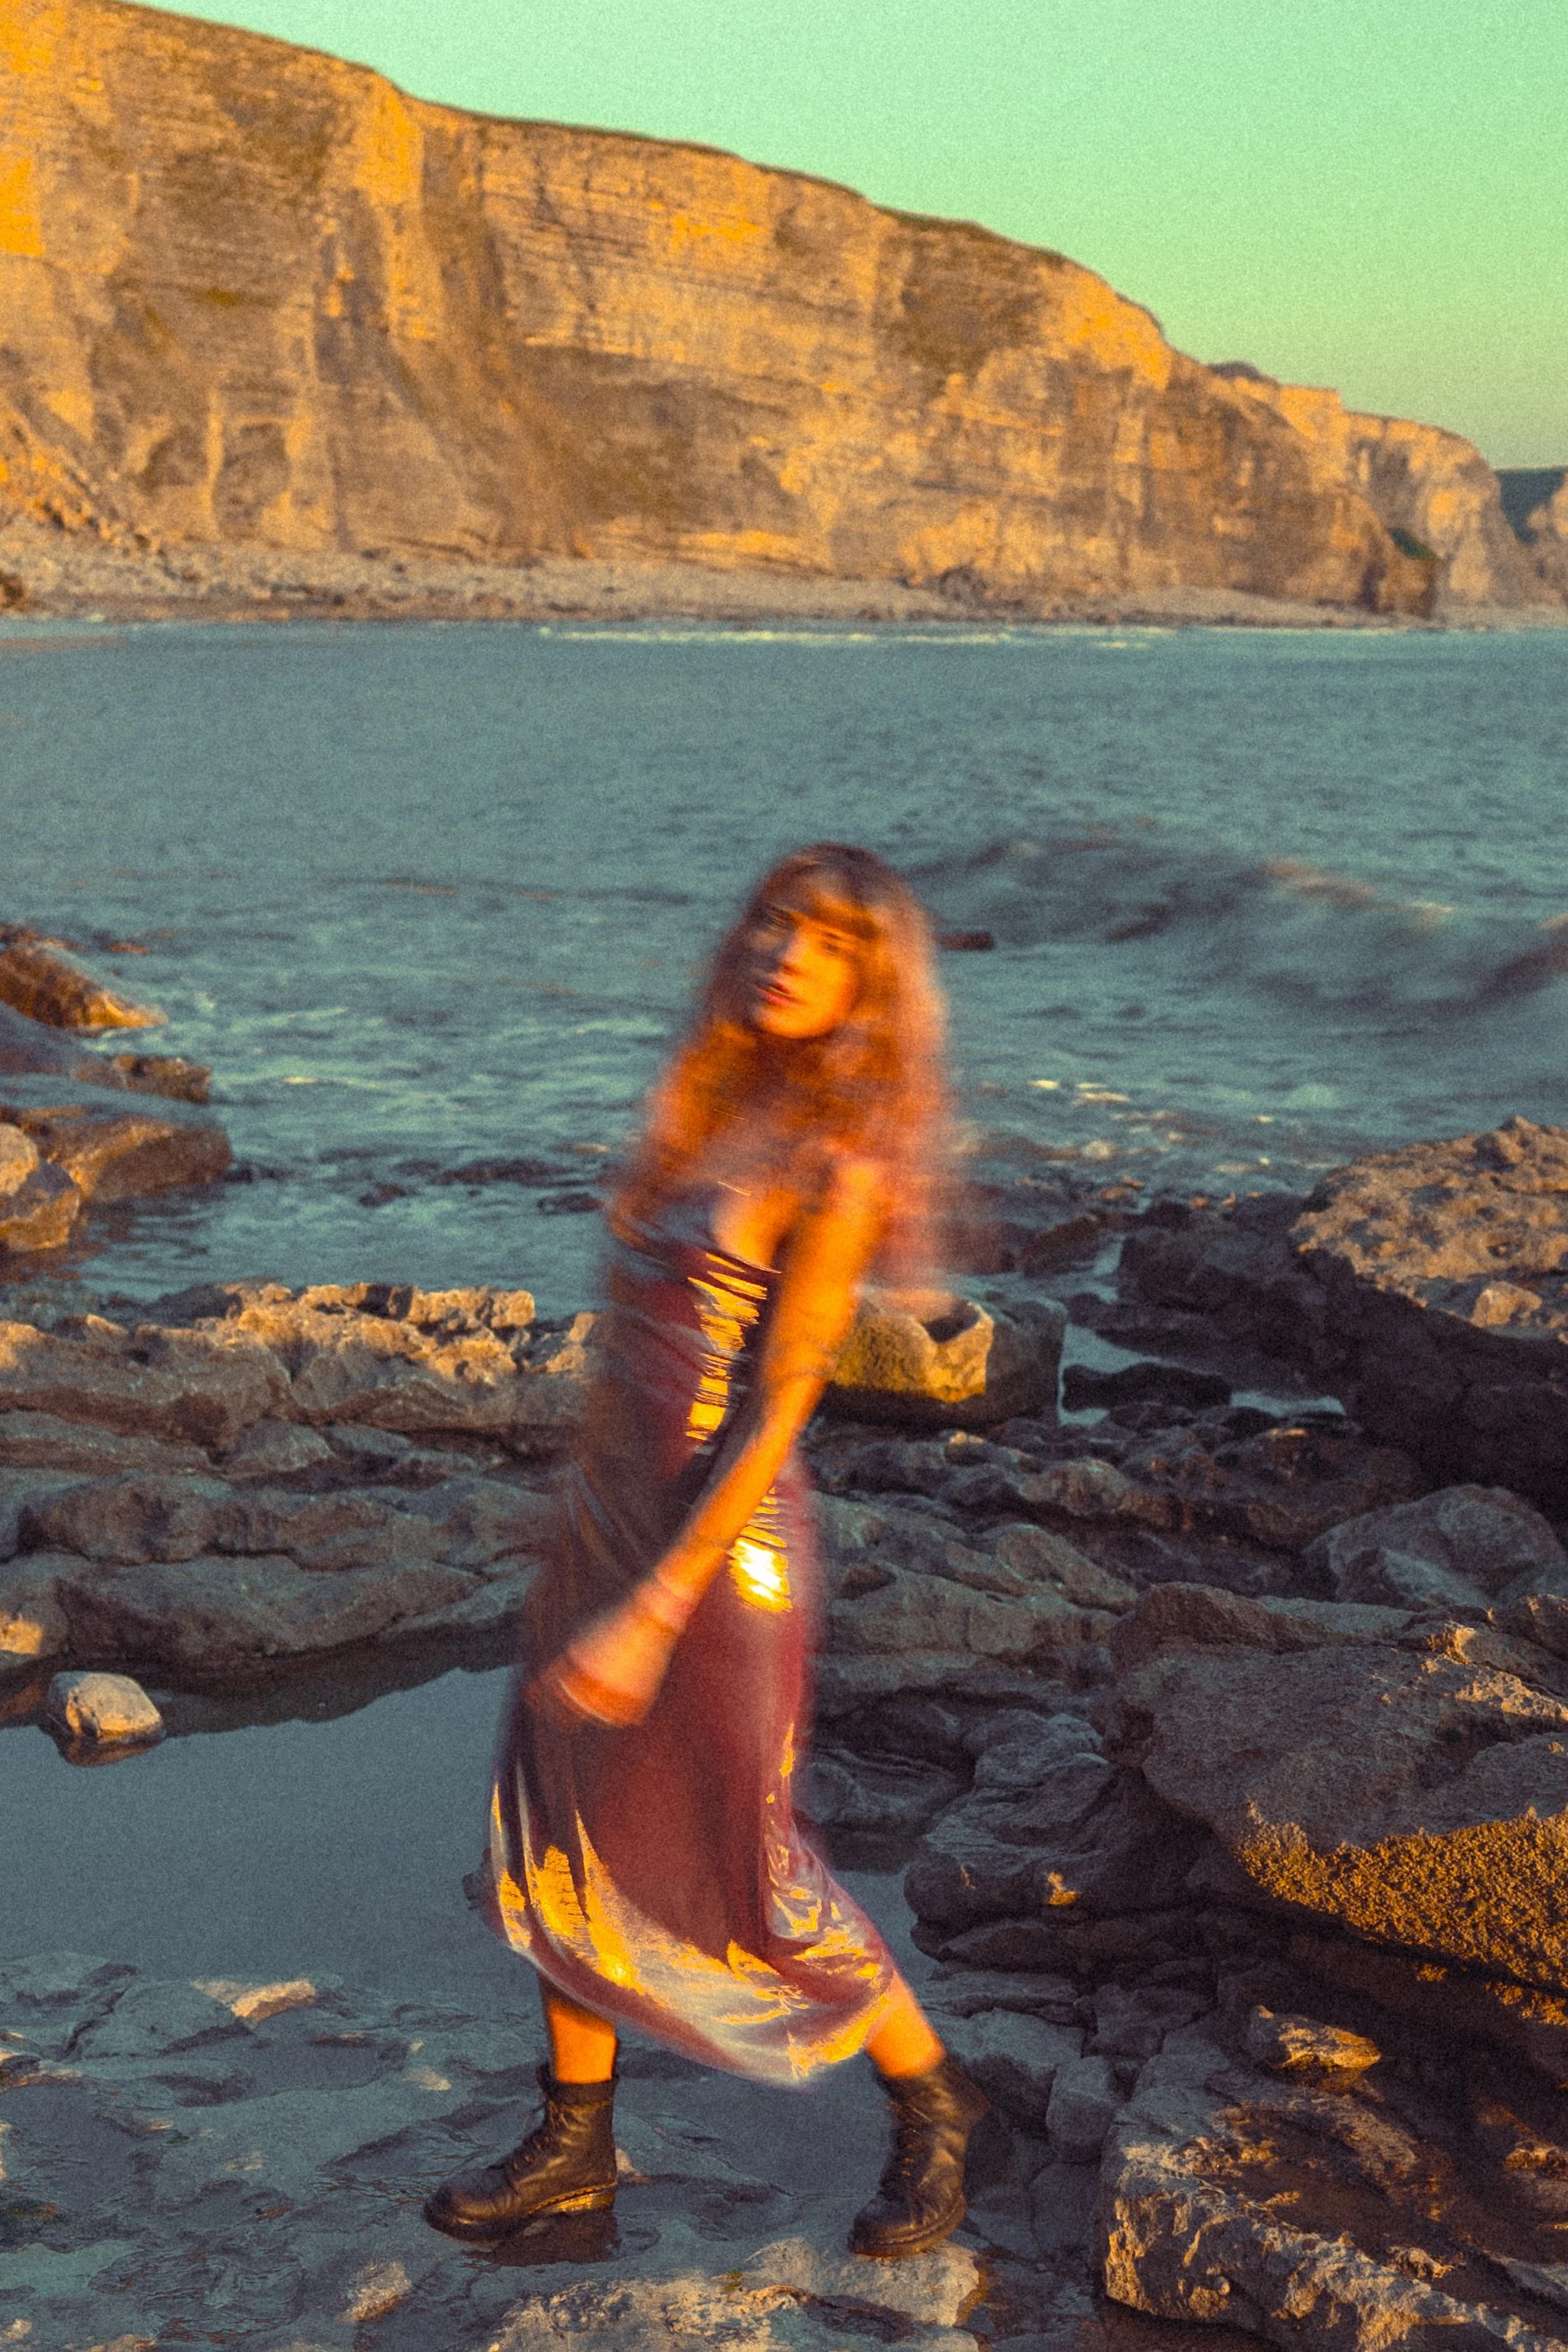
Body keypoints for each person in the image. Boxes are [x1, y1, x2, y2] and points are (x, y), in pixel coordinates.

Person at [424, 844, 987, 2259]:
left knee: (751, 1859)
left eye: (829, 941)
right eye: (774, 921)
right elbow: (635, 1354)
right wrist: (574, 1523)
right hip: (608, 1520)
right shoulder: (711, 1112)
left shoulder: (834, 1159)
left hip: (719, 1552)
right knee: (559, 1820)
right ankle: (574, 2145)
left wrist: (652, 1607)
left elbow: (778, 1397)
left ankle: (932, 2108)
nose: (786, 951)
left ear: (870, 986)